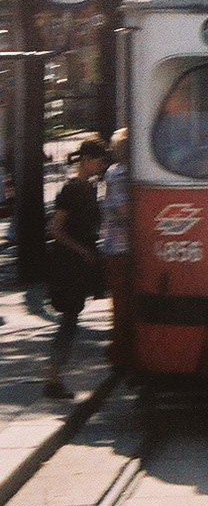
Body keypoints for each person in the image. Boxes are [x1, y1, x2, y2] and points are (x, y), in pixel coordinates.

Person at [43, 137, 110, 400]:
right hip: (68, 265)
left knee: (71, 319)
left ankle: (54, 377)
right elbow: (55, 230)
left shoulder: (89, 188)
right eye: (99, 160)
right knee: (69, 319)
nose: (102, 165)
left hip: (80, 266)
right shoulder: (71, 190)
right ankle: (53, 378)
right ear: (86, 160)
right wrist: (81, 250)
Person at [99, 128, 133, 369]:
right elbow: (124, 210)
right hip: (121, 247)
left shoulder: (113, 172)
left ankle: (120, 350)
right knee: (123, 304)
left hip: (115, 246)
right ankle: (120, 354)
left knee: (121, 303)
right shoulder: (120, 175)